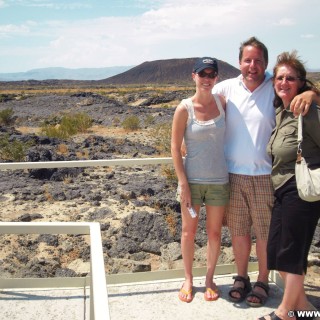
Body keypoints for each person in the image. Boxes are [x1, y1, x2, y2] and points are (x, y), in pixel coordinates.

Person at [212, 36, 320, 307]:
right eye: (247, 60)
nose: (252, 65)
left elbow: (304, 89)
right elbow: (199, 106)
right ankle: (241, 276)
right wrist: (181, 140)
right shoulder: (225, 88)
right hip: (233, 174)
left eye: (258, 60)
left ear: (265, 64)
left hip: (266, 176)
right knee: (238, 231)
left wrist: (310, 94)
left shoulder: (275, 84)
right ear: (239, 62)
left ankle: (262, 280)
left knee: (264, 233)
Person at [258, 51, 320, 320]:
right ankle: (305, 309)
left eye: (290, 78)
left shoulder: (308, 112)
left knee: (291, 253)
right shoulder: (283, 111)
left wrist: (314, 95)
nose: (283, 82)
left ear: (301, 82)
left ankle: (285, 312)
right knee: (278, 253)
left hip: (301, 191)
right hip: (282, 189)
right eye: (279, 77)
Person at [171, 57, 230, 303]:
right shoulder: (184, 108)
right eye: (202, 74)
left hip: (219, 180)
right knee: (188, 232)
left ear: (216, 78)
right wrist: (183, 183)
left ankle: (209, 279)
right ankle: (188, 278)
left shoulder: (223, 102)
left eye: (212, 74)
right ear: (193, 76)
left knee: (215, 234)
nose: (207, 79)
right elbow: (174, 147)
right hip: (192, 182)